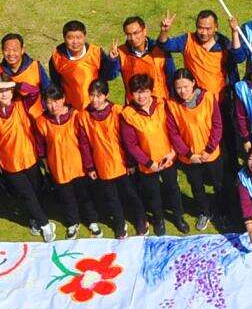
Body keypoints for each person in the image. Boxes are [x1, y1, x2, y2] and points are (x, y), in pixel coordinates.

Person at [0, 80, 56, 240]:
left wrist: (15, 84)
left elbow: (34, 91)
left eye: (7, 90)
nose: (3, 94)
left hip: (29, 156)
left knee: (37, 190)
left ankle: (35, 217)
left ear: (12, 91)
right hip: (9, 161)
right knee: (26, 194)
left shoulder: (21, 104)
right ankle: (45, 224)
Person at [120, 74, 188, 235]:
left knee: (173, 188)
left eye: (144, 91)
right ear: (131, 94)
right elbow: (131, 144)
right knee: (153, 194)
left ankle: (178, 216)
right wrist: (149, 163)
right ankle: (158, 220)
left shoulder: (162, 104)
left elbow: (173, 130)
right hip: (147, 164)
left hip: (167, 158)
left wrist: (173, 152)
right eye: (137, 92)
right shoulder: (127, 114)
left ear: (151, 91)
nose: (141, 96)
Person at [79, 79, 141, 237]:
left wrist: (130, 162)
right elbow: (84, 144)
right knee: (111, 198)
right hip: (102, 165)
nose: (95, 99)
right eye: (92, 95)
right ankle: (120, 223)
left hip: (122, 162)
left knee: (131, 194)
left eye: (99, 96)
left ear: (106, 95)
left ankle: (140, 220)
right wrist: (90, 167)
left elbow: (128, 140)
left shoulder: (118, 111)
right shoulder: (84, 116)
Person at [165, 71, 227, 230]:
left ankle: (223, 212)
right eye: (178, 88)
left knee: (218, 185)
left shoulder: (208, 98)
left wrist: (209, 149)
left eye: (185, 86)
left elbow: (217, 125)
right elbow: (173, 134)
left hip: (210, 154)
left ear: (193, 83)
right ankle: (204, 212)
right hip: (189, 158)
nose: (182, 91)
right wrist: (188, 154)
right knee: (197, 187)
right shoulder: (171, 105)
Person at [30, 90, 95, 238]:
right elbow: (41, 147)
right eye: (49, 102)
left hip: (79, 166)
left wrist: (89, 164)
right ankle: (73, 223)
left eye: (56, 101)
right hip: (58, 166)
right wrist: (47, 164)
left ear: (63, 99)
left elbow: (84, 141)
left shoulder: (76, 115)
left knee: (84, 195)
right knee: (67, 197)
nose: (53, 106)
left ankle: (92, 220)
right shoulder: (42, 121)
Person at [160, 10, 237, 100]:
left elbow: (238, 58)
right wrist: (164, 31)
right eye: (200, 28)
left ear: (216, 27)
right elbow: (166, 45)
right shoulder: (188, 40)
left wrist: (234, 32)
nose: (204, 33)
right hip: (195, 100)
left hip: (219, 99)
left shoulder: (223, 43)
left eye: (208, 29)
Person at [48, 21, 118, 112]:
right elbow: (56, 85)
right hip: (72, 110)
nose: (75, 42)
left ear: (85, 36)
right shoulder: (57, 58)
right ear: (64, 38)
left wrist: (112, 60)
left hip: (95, 106)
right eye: (70, 38)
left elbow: (108, 76)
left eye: (79, 37)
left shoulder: (96, 53)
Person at [114, 15, 171, 103]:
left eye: (136, 33)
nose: (133, 38)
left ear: (144, 31)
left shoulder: (159, 49)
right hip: (134, 107)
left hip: (160, 104)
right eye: (128, 34)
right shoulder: (120, 53)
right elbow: (110, 75)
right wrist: (112, 60)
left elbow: (171, 76)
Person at [0, 32, 45, 105]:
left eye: (15, 50)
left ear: (22, 50)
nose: (11, 54)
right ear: (2, 51)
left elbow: (47, 90)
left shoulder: (35, 67)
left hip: (33, 110)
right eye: (7, 50)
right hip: (9, 111)